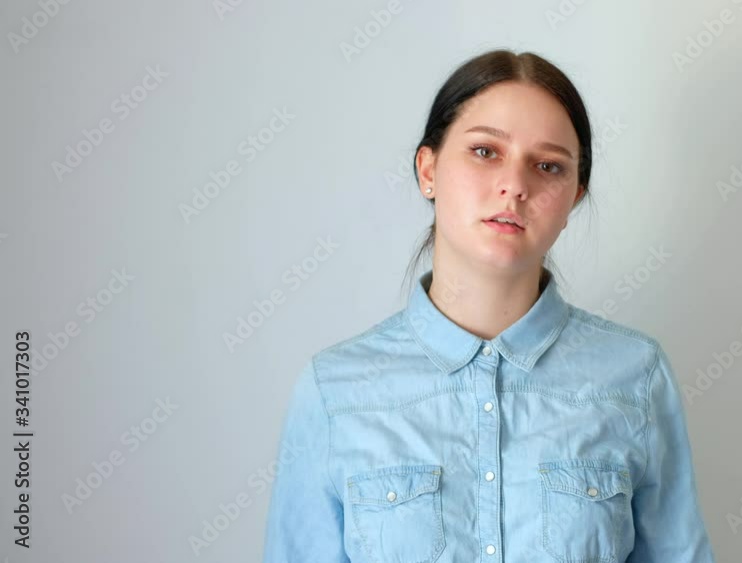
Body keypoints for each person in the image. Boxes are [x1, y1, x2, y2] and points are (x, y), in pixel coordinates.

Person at [261, 49, 716, 563]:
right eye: (485, 151)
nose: (515, 186)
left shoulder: (635, 377)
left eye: (548, 166)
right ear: (428, 170)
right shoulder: (335, 391)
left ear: (573, 197)